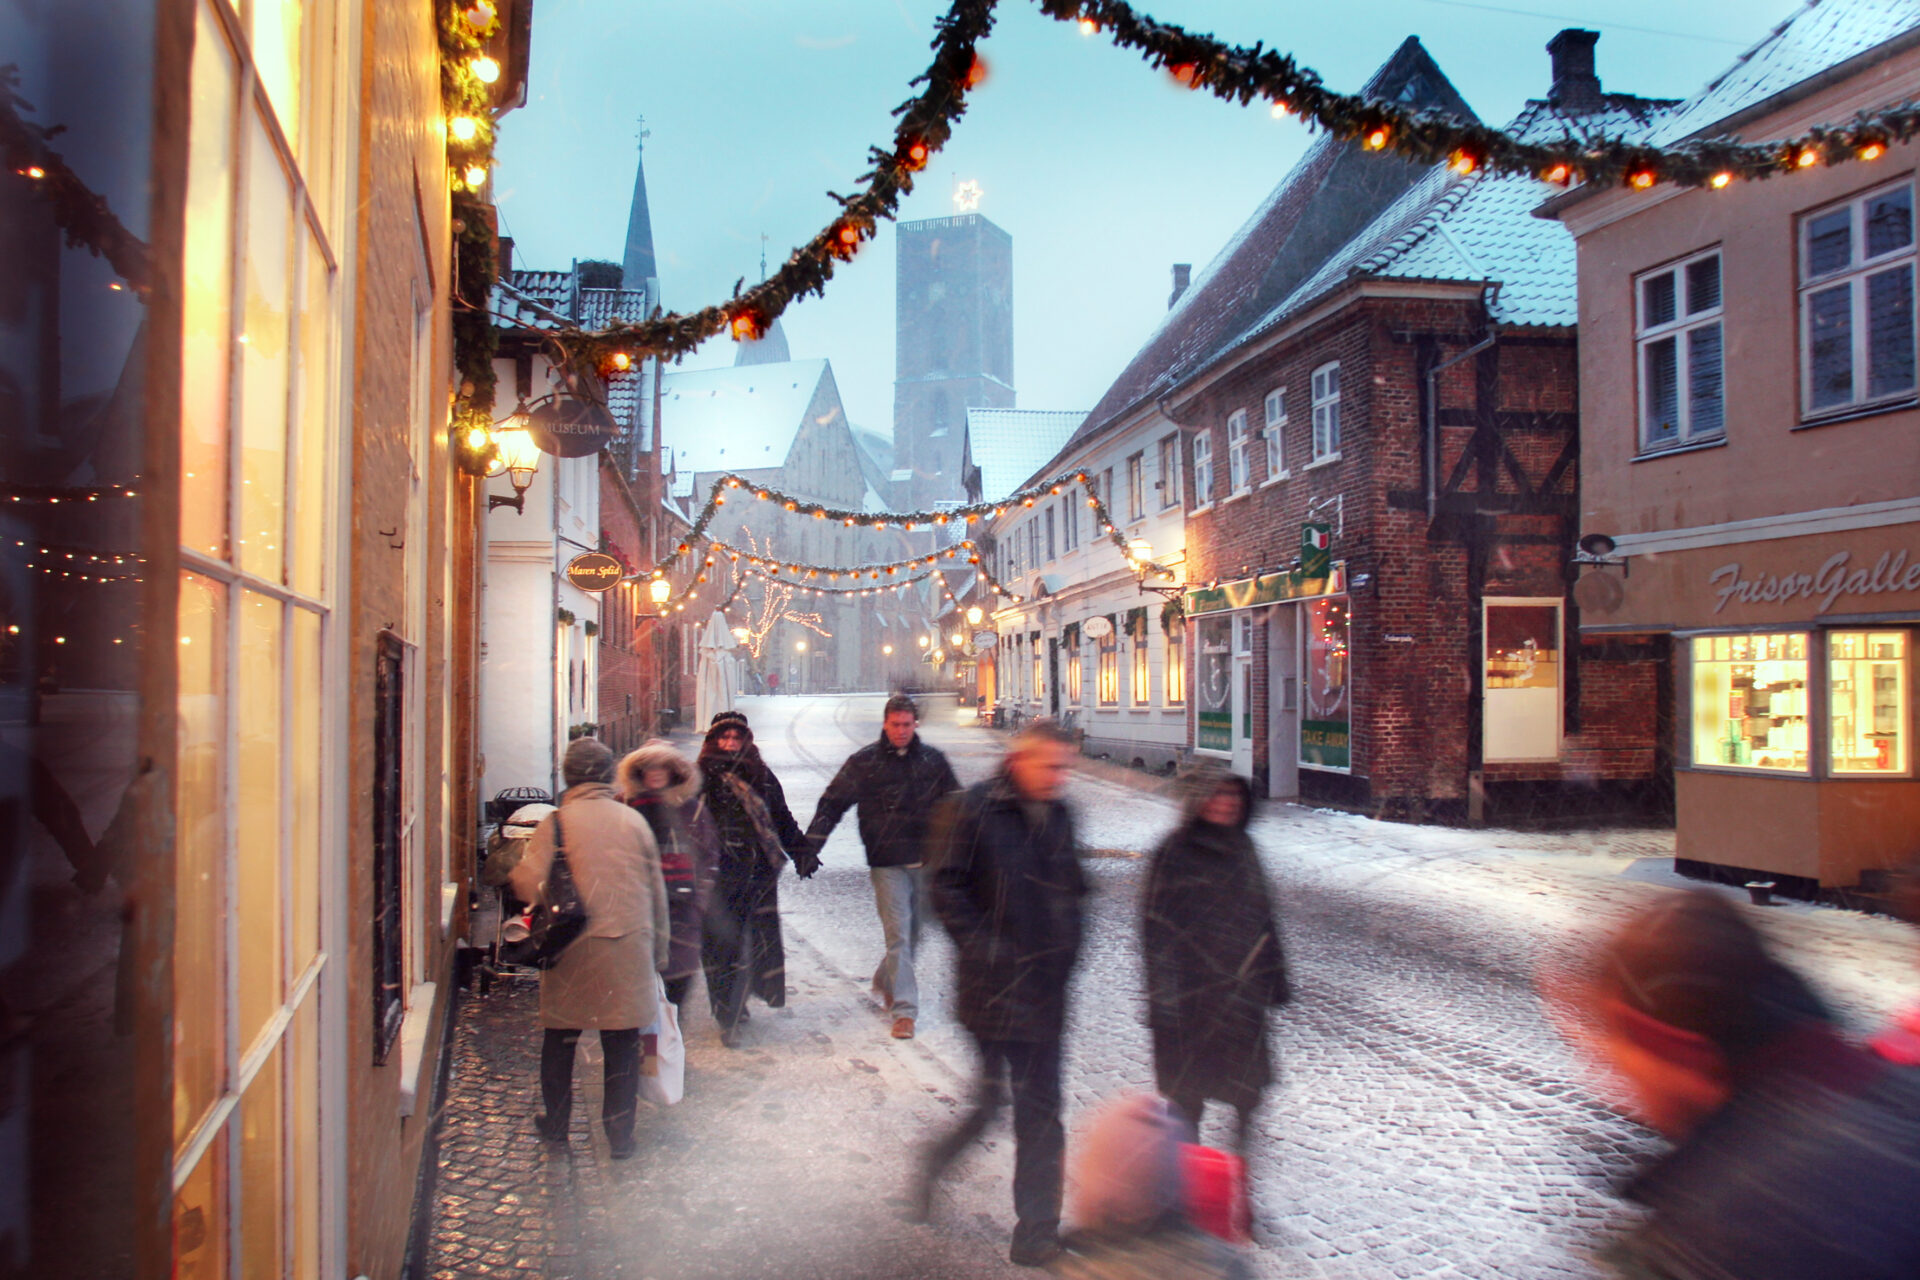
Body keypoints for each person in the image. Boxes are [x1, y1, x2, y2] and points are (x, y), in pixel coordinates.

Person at [1564, 888, 1920, 1278]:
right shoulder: (1897, 1087)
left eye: (1618, 1058)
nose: (1610, 1087)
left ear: (1676, 1048)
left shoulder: (1718, 1240)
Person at [914, 720, 1086, 1268]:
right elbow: (945, 885)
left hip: (1045, 991)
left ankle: (1037, 1232)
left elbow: (1075, 890)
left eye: (1066, 766)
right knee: (989, 1105)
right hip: (991, 991)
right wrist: (984, 946)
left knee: (1042, 1113)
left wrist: (1068, 947)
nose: (1060, 777)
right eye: (1051, 766)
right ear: (1020, 760)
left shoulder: (1061, 814)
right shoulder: (974, 809)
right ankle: (932, 1167)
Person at [508, 737, 668, 1160]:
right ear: (606, 774)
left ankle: (557, 1125)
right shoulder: (633, 822)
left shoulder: (557, 823)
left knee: (560, 1041)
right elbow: (657, 894)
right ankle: (620, 1136)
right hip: (628, 950)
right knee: (622, 1048)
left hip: (572, 952)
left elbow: (525, 883)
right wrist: (661, 952)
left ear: (568, 776)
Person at [1141, 763, 1289, 1156]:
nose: (1226, 804)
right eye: (1217, 795)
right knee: (1187, 1102)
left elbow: (1263, 916)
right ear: (1198, 801)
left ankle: (1237, 1188)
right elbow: (1156, 933)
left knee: (1246, 1096)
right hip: (1192, 1001)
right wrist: (1165, 997)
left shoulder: (1245, 849)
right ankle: (1188, 1193)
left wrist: (1275, 976)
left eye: (1233, 796)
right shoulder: (1173, 853)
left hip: (1241, 999)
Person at [804, 693, 961, 1040]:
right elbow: (833, 803)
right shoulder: (865, 763)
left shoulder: (933, 762)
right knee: (899, 935)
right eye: (895, 725)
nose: (901, 731)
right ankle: (904, 1010)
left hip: (926, 860)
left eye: (907, 725)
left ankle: (885, 978)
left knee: (915, 934)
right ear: (885, 724)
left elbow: (957, 806)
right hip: (886, 861)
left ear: (915, 724)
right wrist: (810, 847)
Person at [695, 710, 817, 1046]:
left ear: (746, 740)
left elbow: (781, 817)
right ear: (714, 740)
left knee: (751, 945)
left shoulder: (760, 776)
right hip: (718, 877)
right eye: (725, 737)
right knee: (720, 947)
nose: (731, 744)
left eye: (737, 738)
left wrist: (802, 851)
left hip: (756, 874)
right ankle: (726, 1012)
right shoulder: (699, 778)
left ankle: (735, 1002)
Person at [616, 739, 720, 1010]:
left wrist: (699, 900)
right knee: (636, 991)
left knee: (675, 988)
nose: (656, 771)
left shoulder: (691, 810)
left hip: (681, 910)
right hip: (634, 910)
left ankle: (668, 1043)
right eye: (649, 766)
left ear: (674, 770)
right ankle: (642, 1048)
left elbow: (708, 857)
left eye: (662, 765)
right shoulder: (624, 807)